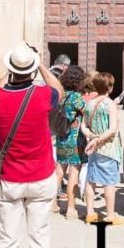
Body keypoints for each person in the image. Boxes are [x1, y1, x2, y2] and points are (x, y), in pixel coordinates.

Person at [0, 42, 65, 248]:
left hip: (10, 180)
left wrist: (10, 64)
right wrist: (39, 61)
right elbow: (58, 88)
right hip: (41, 178)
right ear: (32, 69)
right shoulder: (44, 97)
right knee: (40, 242)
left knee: (8, 243)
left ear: (11, 69)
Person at [81, 72, 123, 225]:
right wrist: (98, 139)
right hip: (108, 147)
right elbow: (112, 129)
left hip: (93, 148)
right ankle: (110, 214)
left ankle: (90, 213)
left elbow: (83, 126)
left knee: (91, 179)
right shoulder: (110, 104)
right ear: (109, 87)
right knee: (109, 182)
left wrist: (91, 137)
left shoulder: (89, 103)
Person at [53, 65, 87, 218]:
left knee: (59, 170)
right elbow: (87, 112)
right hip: (75, 139)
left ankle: (52, 204)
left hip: (62, 136)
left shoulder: (61, 95)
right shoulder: (76, 97)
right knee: (74, 172)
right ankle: (71, 208)